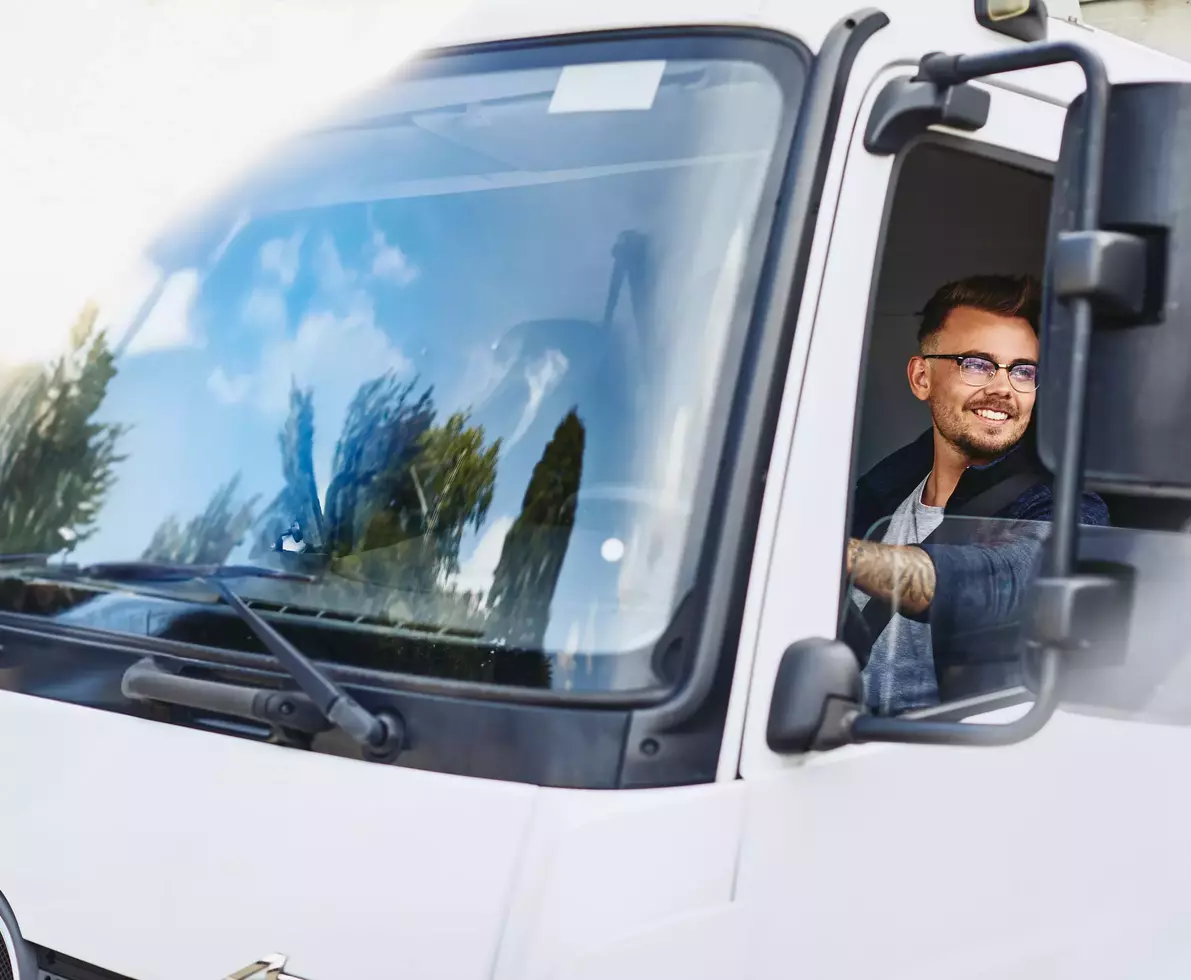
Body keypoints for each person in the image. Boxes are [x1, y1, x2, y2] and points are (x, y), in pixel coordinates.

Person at [845, 274, 1110, 716]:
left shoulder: (1067, 509)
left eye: (1024, 371)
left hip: (961, 764)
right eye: (976, 364)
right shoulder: (878, 494)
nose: (1004, 388)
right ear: (921, 378)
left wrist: (836, 557)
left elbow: (999, 581)